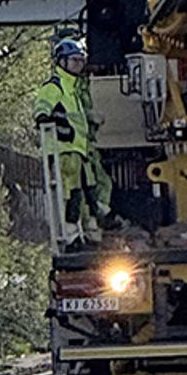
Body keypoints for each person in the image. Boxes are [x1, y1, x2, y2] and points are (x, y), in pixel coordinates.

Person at [33, 37, 112, 245]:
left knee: (87, 192)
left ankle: (88, 234)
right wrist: (42, 117)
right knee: (70, 195)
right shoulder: (56, 86)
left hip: (78, 150)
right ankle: (71, 237)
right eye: (74, 60)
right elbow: (42, 106)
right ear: (62, 62)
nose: (79, 65)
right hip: (63, 150)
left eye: (80, 61)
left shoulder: (74, 89)